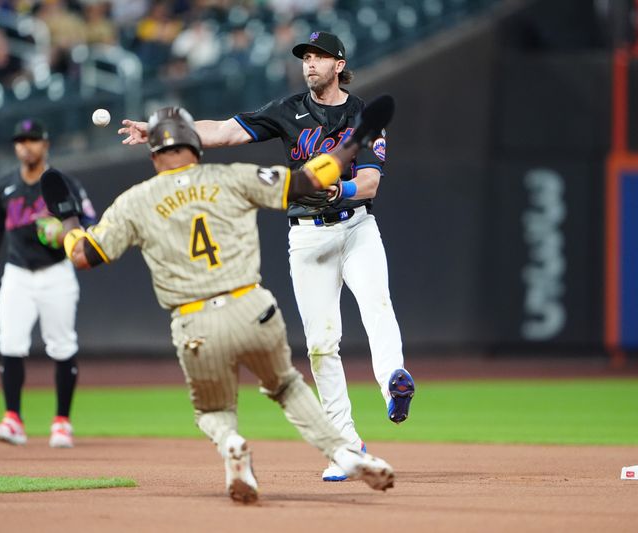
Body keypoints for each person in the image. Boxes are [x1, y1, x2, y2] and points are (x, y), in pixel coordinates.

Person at [48, 106, 395, 503]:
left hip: (194, 322)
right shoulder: (231, 177)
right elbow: (307, 180)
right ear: (196, 145)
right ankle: (344, 452)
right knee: (285, 385)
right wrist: (352, 144)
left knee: (213, 411)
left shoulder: (134, 202)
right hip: (253, 309)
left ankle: (231, 441)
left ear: (153, 155)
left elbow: (84, 256)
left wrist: (69, 221)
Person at [118, 31, 415, 482]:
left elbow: (370, 183)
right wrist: (163, 133)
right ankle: (346, 446)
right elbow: (225, 131)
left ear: (339, 63)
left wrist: (340, 189)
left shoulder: (361, 114)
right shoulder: (289, 110)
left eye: (318, 57)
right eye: (305, 57)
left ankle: (394, 381)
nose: (309, 64)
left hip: (357, 228)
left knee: (377, 305)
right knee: (319, 345)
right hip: (307, 239)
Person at [0, 119, 96, 449]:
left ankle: (62, 423)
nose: (26, 145)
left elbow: (91, 221)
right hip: (17, 273)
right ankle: (13, 419)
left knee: (63, 345)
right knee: (10, 343)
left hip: (57, 272)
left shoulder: (63, 183)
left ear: (46, 144)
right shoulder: (4, 187)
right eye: (20, 140)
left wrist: (67, 232)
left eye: (33, 139)